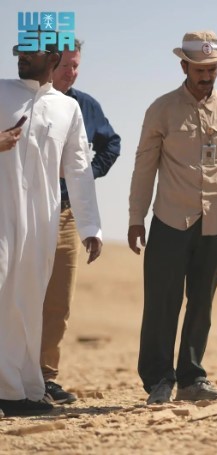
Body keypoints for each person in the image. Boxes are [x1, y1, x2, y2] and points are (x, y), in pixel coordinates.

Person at [128, 30, 217, 405]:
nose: (206, 76)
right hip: (170, 221)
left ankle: (191, 377)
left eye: (212, 69)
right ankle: (158, 380)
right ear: (184, 67)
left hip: (216, 223)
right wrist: (136, 217)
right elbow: (144, 166)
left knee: (202, 304)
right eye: (199, 69)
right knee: (162, 303)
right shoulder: (162, 109)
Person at [0, 40, 103, 416]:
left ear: (53, 59)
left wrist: (90, 226)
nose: (23, 59)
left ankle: (18, 391)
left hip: (42, 221)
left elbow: (78, 168)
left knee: (27, 304)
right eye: (20, 54)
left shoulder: (67, 108)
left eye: (32, 54)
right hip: (1, 214)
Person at [41, 39, 121, 405]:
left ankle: (45, 378)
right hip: (20, 214)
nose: (71, 73)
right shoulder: (22, 102)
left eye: (76, 66)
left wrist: (83, 176)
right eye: (65, 66)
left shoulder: (85, 106)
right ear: (47, 63)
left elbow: (111, 144)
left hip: (66, 215)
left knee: (57, 303)